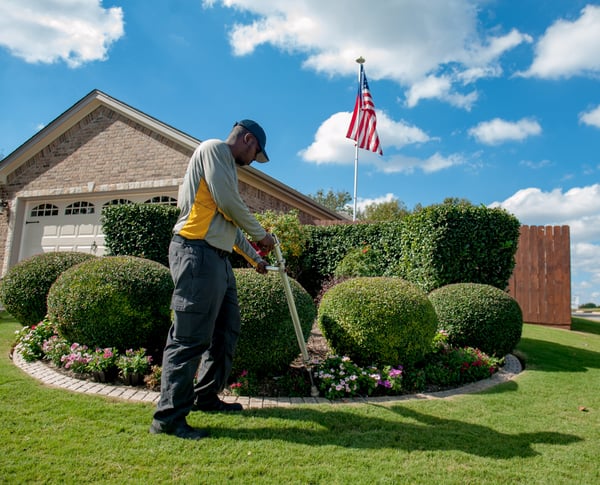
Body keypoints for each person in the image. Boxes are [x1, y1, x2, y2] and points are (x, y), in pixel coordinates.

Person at [150, 120, 275, 440]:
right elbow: (229, 203)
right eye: (255, 153)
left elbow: (228, 224)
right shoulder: (214, 149)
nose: (252, 160)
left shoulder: (225, 170)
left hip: (217, 258)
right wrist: (262, 235)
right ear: (248, 140)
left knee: (225, 330)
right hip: (195, 252)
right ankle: (168, 419)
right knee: (189, 337)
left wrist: (255, 258)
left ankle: (206, 397)